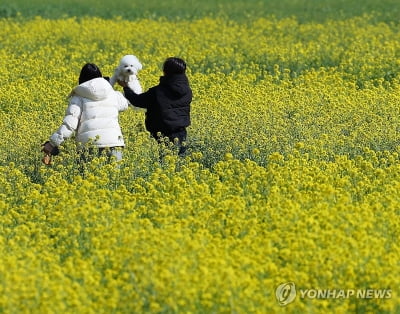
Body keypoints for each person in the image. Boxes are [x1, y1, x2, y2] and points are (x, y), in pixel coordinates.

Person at [42, 63, 131, 165]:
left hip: (90, 147)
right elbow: (130, 100)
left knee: (88, 179)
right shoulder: (113, 94)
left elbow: (69, 125)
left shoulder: (79, 97)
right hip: (115, 144)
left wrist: (52, 144)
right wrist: (126, 86)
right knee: (114, 179)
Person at [118, 57, 192, 156]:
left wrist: (126, 87)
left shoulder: (157, 92)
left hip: (162, 134)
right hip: (181, 132)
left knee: (165, 163)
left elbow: (137, 101)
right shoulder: (187, 91)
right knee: (180, 160)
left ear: (165, 71)